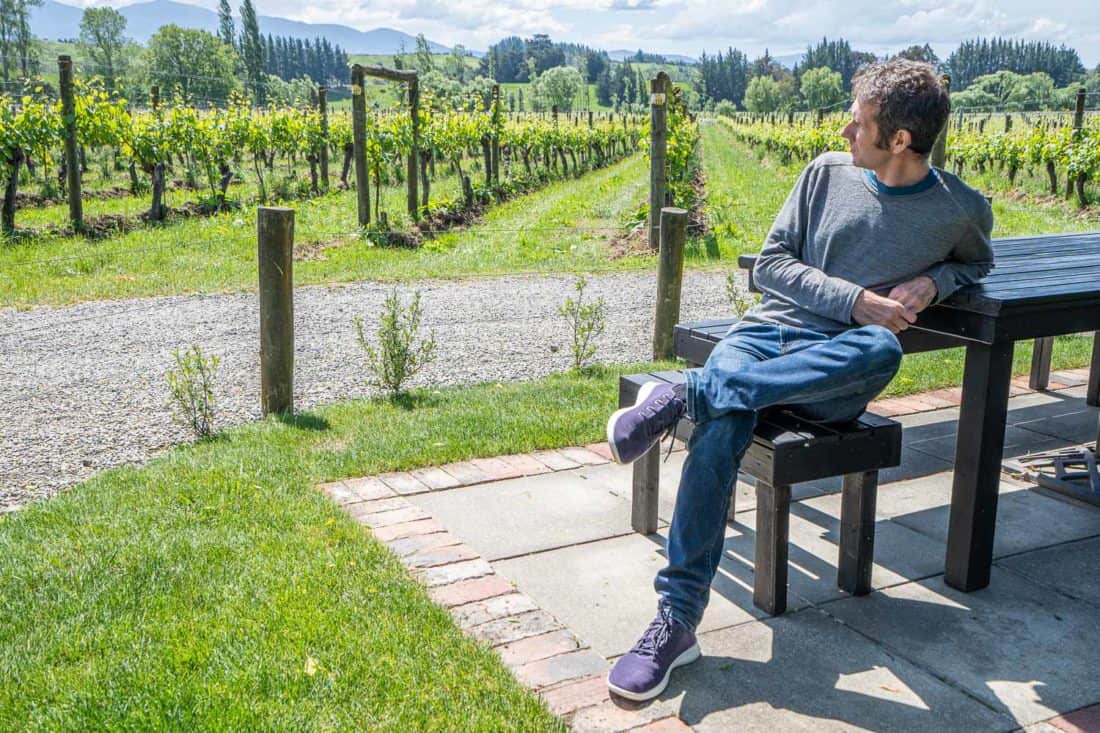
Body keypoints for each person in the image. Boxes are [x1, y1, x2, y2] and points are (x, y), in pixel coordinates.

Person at [604, 59, 995, 702]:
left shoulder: (960, 209)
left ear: (900, 139)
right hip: (764, 335)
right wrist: (855, 298)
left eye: (860, 121)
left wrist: (935, 280)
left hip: (834, 366)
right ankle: (676, 623)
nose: (845, 129)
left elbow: (976, 263)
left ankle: (684, 393)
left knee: (879, 350)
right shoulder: (822, 173)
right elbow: (771, 266)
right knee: (727, 421)